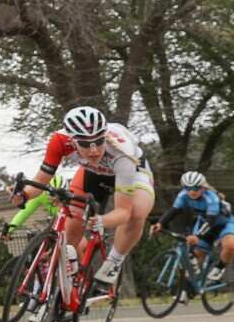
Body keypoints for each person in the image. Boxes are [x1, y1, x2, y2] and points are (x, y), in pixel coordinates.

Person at [14, 106, 155, 287]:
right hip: (92, 172)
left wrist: (102, 221)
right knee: (72, 226)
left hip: (132, 173)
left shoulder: (122, 153)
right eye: (85, 144)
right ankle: (59, 286)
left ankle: (114, 261)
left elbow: (123, 212)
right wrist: (24, 194)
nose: (94, 150)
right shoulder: (59, 141)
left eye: (99, 141)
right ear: (72, 140)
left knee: (137, 212)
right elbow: (42, 179)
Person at [149, 172, 234, 283]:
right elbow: (173, 211)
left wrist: (197, 236)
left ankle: (219, 268)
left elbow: (211, 221)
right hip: (204, 223)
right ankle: (188, 287)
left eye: (196, 188)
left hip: (224, 224)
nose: (192, 191)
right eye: (188, 188)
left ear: (203, 187)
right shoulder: (183, 195)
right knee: (195, 259)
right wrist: (160, 224)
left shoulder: (211, 198)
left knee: (231, 246)